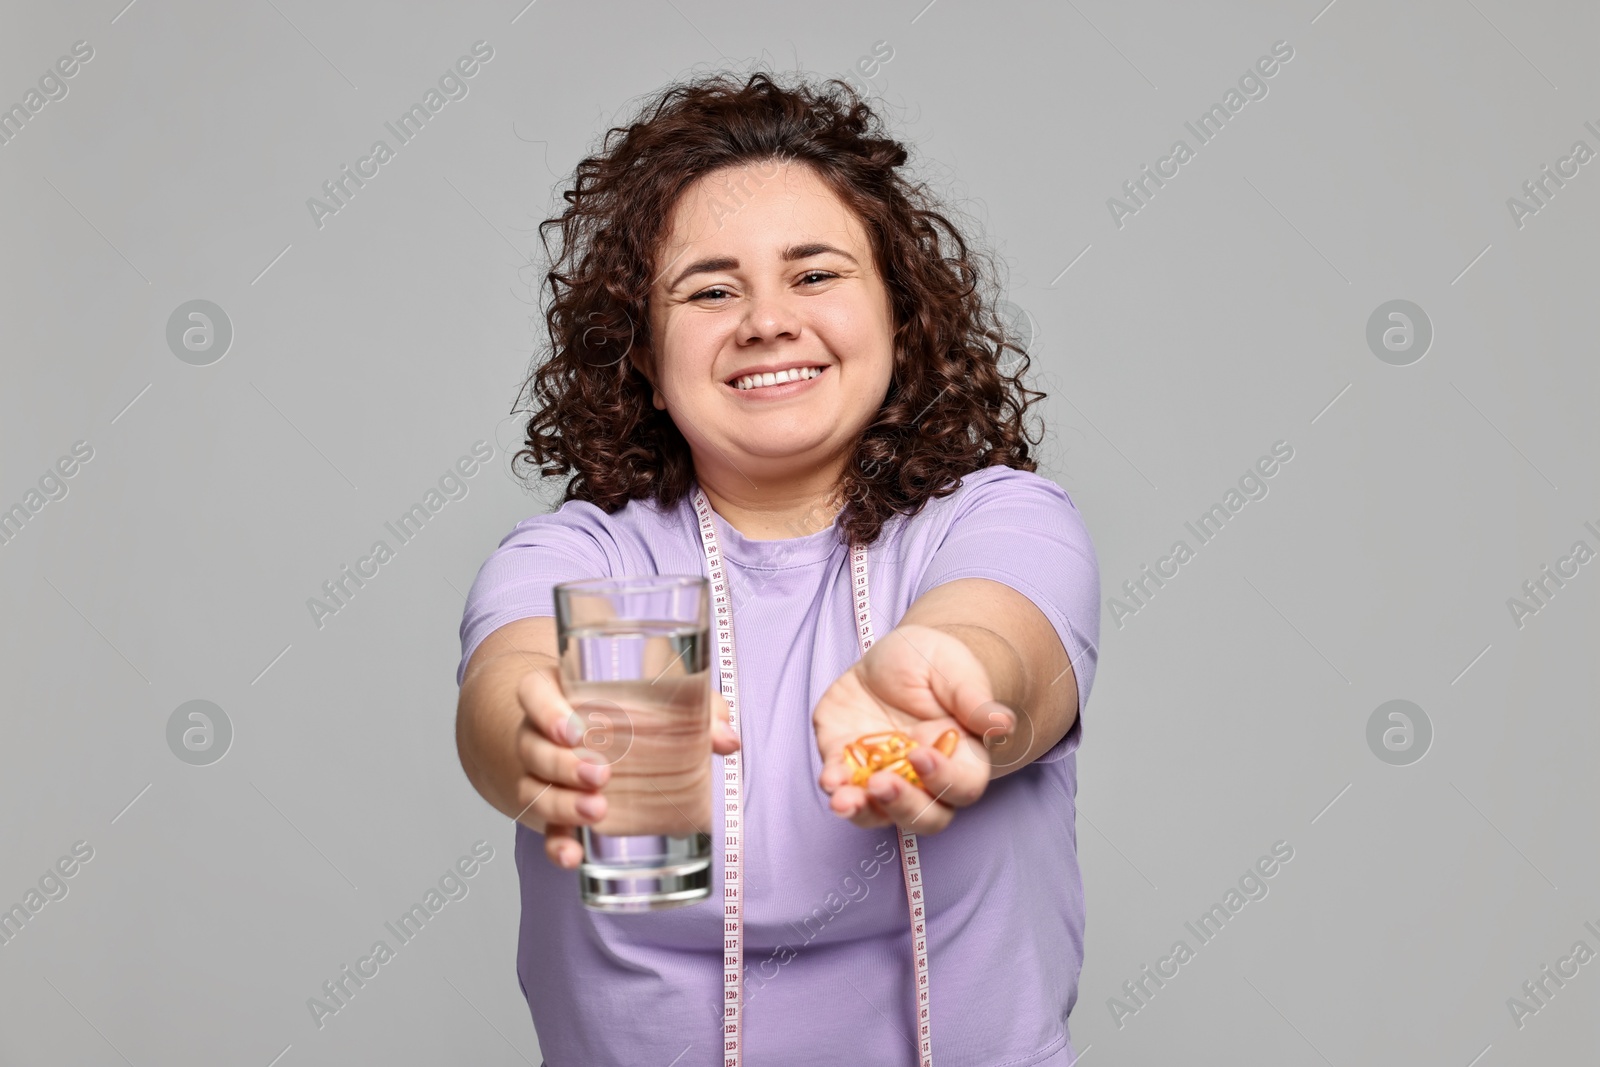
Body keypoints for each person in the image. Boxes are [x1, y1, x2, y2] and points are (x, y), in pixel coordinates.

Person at [454, 70, 1100, 1067]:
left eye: (815, 274)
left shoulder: (994, 520)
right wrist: (536, 739)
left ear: (898, 315)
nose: (765, 319)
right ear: (643, 356)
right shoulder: (586, 559)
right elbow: (509, 683)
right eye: (709, 289)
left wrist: (939, 680)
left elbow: (1001, 638)